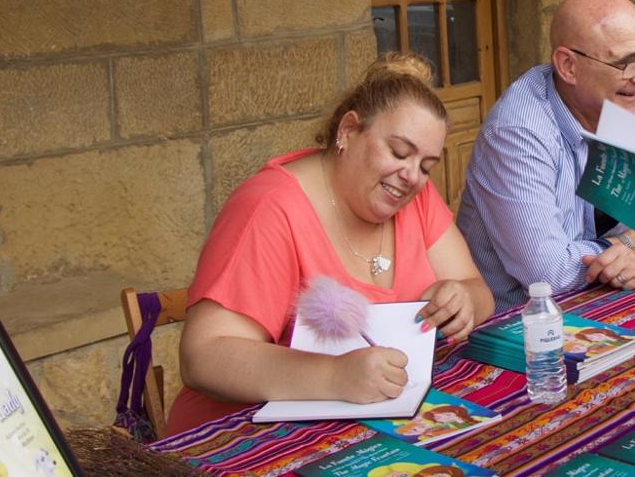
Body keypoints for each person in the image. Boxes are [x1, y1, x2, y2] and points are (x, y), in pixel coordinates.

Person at [167, 53, 494, 435]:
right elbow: (204, 357)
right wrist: (332, 376)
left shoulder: (414, 199)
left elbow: (478, 291)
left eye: (426, 166)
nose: (412, 176)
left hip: (367, 427)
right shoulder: (269, 207)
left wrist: (462, 300)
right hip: (240, 440)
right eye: (399, 153)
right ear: (349, 131)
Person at [456, 0, 635, 311]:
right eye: (627, 63)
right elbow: (550, 275)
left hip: (614, 303)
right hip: (522, 327)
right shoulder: (517, 132)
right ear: (568, 66)